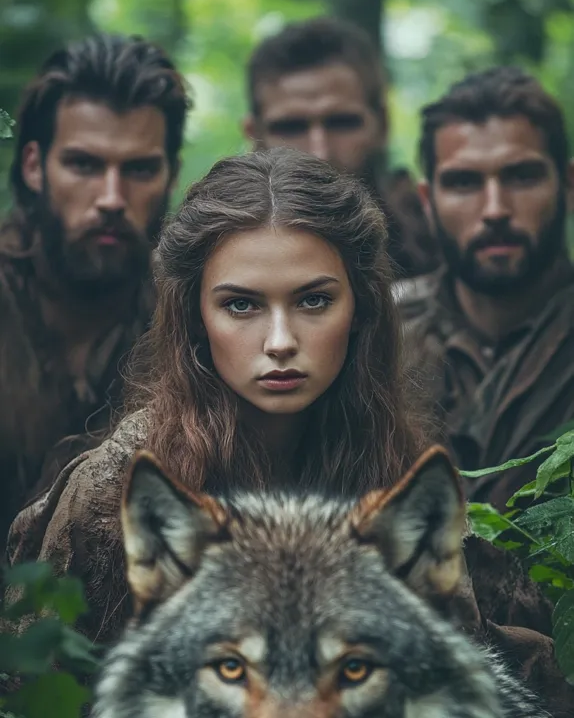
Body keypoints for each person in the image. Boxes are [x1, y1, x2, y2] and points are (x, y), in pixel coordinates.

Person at [7, 148, 425, 645]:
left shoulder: (393, 464)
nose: (280, 342)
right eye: (241, 305)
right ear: (196, 318)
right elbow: (38, 699)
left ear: (359, 308)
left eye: (313, 300)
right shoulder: (119, 484)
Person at [397, 67, 574, 718]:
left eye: (522, 176)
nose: (494, 207)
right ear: (428, 197)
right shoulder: (368, 335)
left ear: (569, 182)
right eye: (465, 182)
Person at [0, 33, 190, 551]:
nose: (111, 198)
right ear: (35, 165)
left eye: (139, 169)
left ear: (170, 173)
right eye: (84, 164)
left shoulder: (193, 320)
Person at [243, 16, 438, 278]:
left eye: (341, 123)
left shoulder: (439, 245)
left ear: (382, 125)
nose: (319, 152)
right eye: (291, 127)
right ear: (254, 135)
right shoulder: (212, 252)